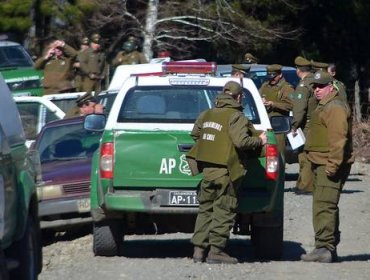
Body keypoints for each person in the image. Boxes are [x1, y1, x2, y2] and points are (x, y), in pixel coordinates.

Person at [187, 81, 267, 264]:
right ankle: (216, 251)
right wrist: (260, 141)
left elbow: (195, 134)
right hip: (226, 171)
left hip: (207, 170)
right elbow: (242, 142)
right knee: (224, 208)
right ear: (239, 97)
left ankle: (198, 250)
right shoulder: (236, 116)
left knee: (205, 209)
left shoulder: (207, 114)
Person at [301, 71, 354, 263]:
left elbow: (338, 139)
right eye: (314, 87)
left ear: (331, 87)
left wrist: (332, 166)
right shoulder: (324, 106)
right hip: (320, 163)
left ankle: (324, 248)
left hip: (328, 164)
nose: (317, 90)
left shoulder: (335, 107)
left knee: (325, 206)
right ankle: (326, 246)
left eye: (321, 86)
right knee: (323, 205)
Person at [290, 56, 316, 195]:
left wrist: (294, 126)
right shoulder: (316, 82)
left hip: (306, 125)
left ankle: (306, 185)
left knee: (304, 155)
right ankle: (303, 182)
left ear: (298, 70)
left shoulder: (303, 86)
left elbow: (299, 110)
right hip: (317, 123)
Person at [259, 64, 294, 155]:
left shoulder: (287, 88)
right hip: (264, 124)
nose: (271, 79)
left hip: (279, 126)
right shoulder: (265, 86)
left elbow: (292, 105)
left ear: (280, 75)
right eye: (269, 77)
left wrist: (274, 104)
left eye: (274, 77)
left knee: (278, 153)